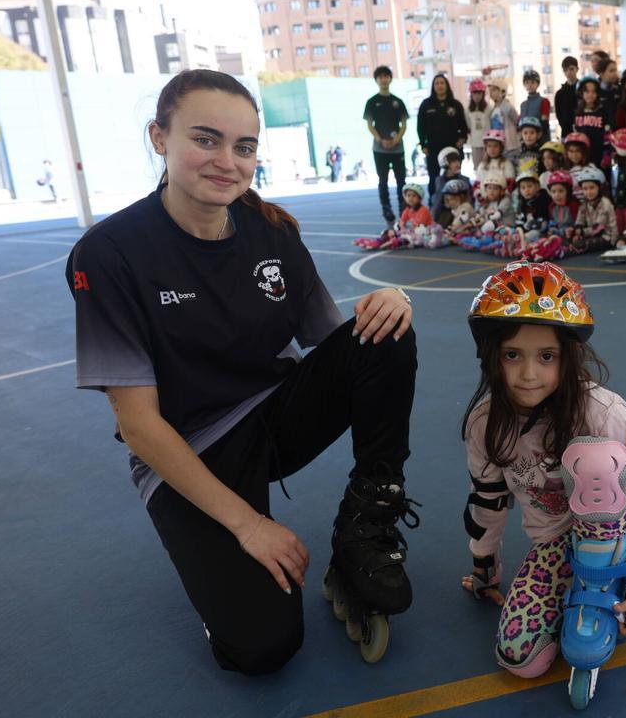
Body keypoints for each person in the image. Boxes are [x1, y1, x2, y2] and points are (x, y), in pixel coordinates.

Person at [66, 69, 417, 675]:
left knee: (384, 331)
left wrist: (392, 303)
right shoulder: (109, 254)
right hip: (188, 451)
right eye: (205, 139)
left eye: (244, 146)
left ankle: (367, 525)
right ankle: (226, 584)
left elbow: (339, 345)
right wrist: (249, 525)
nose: (226, 161)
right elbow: (141, 427)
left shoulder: (272, 231)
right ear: (159, 138)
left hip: (273, 419)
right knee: (260, 648)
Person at [460, 262, 626, 700]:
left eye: (546, 356)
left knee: (594, 458)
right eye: (513, 354)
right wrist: (484, 567)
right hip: (556, 541)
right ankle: (583, 577)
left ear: (568, 356)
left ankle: (612, 574)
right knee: (519, 659)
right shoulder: (484, 423)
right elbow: (486, 498)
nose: (529, 373)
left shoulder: (601, 411)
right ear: (491, 356)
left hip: (624, 522)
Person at [364, 67, 409, 226]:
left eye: (386, 76)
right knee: (382, 180)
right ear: (376, 80)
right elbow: (370, 125)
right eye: (380, 77)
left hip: (398, 148)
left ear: (390, 79)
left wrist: (397, 139)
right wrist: (380, 139)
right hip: (379, 149)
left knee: (401, 180)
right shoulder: (371, 102)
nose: (383, 80)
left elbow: (404, 124)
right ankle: (387, 209)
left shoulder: (398, 101)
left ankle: (404, 210)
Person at [418, 73, 469, 199]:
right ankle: (434, 203)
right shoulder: (426, 105)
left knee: (454, 175)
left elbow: (463, 125)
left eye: (442, 83)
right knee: (434, 177)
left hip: (452, 148)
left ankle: (458, 201)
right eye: (437, 83)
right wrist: (423, 145)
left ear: (447, 85)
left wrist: (462, 139)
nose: (440, 85)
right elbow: (420, 127)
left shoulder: (456, 104)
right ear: (433, 86)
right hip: (433, 148)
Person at [570, 166, 618, 256]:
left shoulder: (605, 203)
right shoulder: (584, 204)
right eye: (585, 189)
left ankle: (569, 250)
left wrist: (582, 232)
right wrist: (575, 231)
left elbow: (598, 228)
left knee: (582, 244)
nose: (588, 192)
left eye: (592, 188)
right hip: (592, 234)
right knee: (571, 238)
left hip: (607, 237)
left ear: (599, 188)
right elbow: (579, 221)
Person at [573, 77, 610, 173]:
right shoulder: (577, 113)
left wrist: (606, 154)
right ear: (581, 93)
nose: (590, 95)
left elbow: (607, 135)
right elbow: (575, 135)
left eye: (593, 92)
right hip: (582, 157)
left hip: (599, 155)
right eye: (587, 92)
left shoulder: (603, 111)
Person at [475, 129, 515, 200]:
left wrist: (504, 194)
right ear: (485, 148)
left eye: (495, 146)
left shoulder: (506, 164)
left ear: (501, 148)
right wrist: (480, 196)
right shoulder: (482, 165)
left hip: (502, 199)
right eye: (489, 146)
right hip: (485, 199)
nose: (492, 149)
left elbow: (510, 183)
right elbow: (477, 183)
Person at [487, 79, 520, 153]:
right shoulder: (493, 109)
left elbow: (517, 122)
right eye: (490, 91)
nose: (491, 93)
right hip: (499, 145)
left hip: (510, 146)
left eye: (494, 90)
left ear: (502, 91)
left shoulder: (508, 107)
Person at [465, 79, 492, 167]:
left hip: (488, 143)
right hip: (475, 143)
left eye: (479, 93)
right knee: (477, 167)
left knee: (488, 166)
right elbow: (468, 126)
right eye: (475, 93)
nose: (477, 96)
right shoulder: (468, 110)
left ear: (483, 94)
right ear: (471, 94)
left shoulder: (489, 108)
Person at [519, 69, 552, 141]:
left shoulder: (543, 101)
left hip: (541, 139)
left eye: (533, 82)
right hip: (526, 140)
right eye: (527, 83)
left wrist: (539, 136)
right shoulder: (523, 105)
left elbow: (544, 123)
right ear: (524, 84)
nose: (530, 85)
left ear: (537, 84)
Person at [555, 56, 580, 137]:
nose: (569, 72)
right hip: (566, 131)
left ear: (577, 69)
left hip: (582, 128)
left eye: (571, 69)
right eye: (565, 70)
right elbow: (558, 114)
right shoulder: (560, 93)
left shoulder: (583, 90)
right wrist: (563, 125)